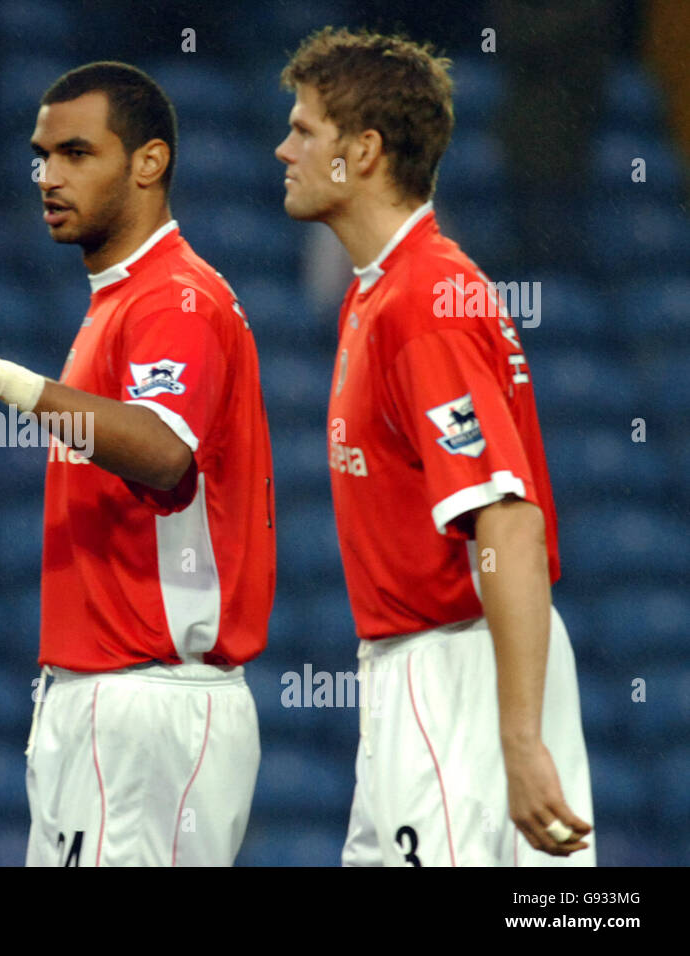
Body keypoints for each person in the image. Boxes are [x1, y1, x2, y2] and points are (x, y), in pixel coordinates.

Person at [0, 62, 275, 866]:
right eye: (42, 155)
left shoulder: (174, 299)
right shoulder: (122, 300)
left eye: (77, 153)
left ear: (149, 162)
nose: (48, 176)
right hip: (108, 698)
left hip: (145, 700)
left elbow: (160, 450)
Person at [274, 27, 595, 866]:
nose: (284, 148)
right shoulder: (385, 293)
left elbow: (510, 523)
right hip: (418, 675)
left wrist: (517, 740)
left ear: (364, 151)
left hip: (456, 672)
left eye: (305, 130)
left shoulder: (424, 300)